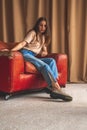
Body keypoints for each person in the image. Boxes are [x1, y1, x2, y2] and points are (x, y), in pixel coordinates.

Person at [2, 17, 72, 101]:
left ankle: (53, 87)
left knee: (51, 61)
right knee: (44, 66)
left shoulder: (43, 37)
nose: (42, 27)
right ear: (37, 25)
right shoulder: (32, 33)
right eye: (41, 25)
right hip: (25, 54)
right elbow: (23, 43)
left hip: (33, 56)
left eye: (44, 26)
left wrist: (44, 53)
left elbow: (45, 51)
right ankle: (57, 88)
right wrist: (11, 50)